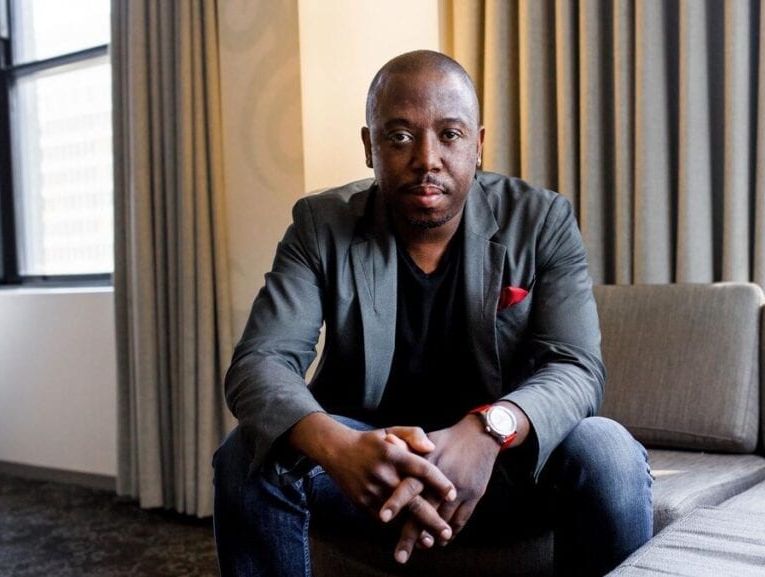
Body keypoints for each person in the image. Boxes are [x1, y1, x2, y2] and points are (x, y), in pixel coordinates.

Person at [212, 49, 652, 577]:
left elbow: (576, 367)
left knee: (607, 452)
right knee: (246, 455)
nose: (427, 159)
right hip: (369, 472)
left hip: (505, 470)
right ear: (369, 147)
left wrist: (489, 429)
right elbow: (259, 363)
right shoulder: (319, 224)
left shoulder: (542, 220)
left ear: (478, 145)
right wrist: (341, 446)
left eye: (449, 134)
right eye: (399, 136)